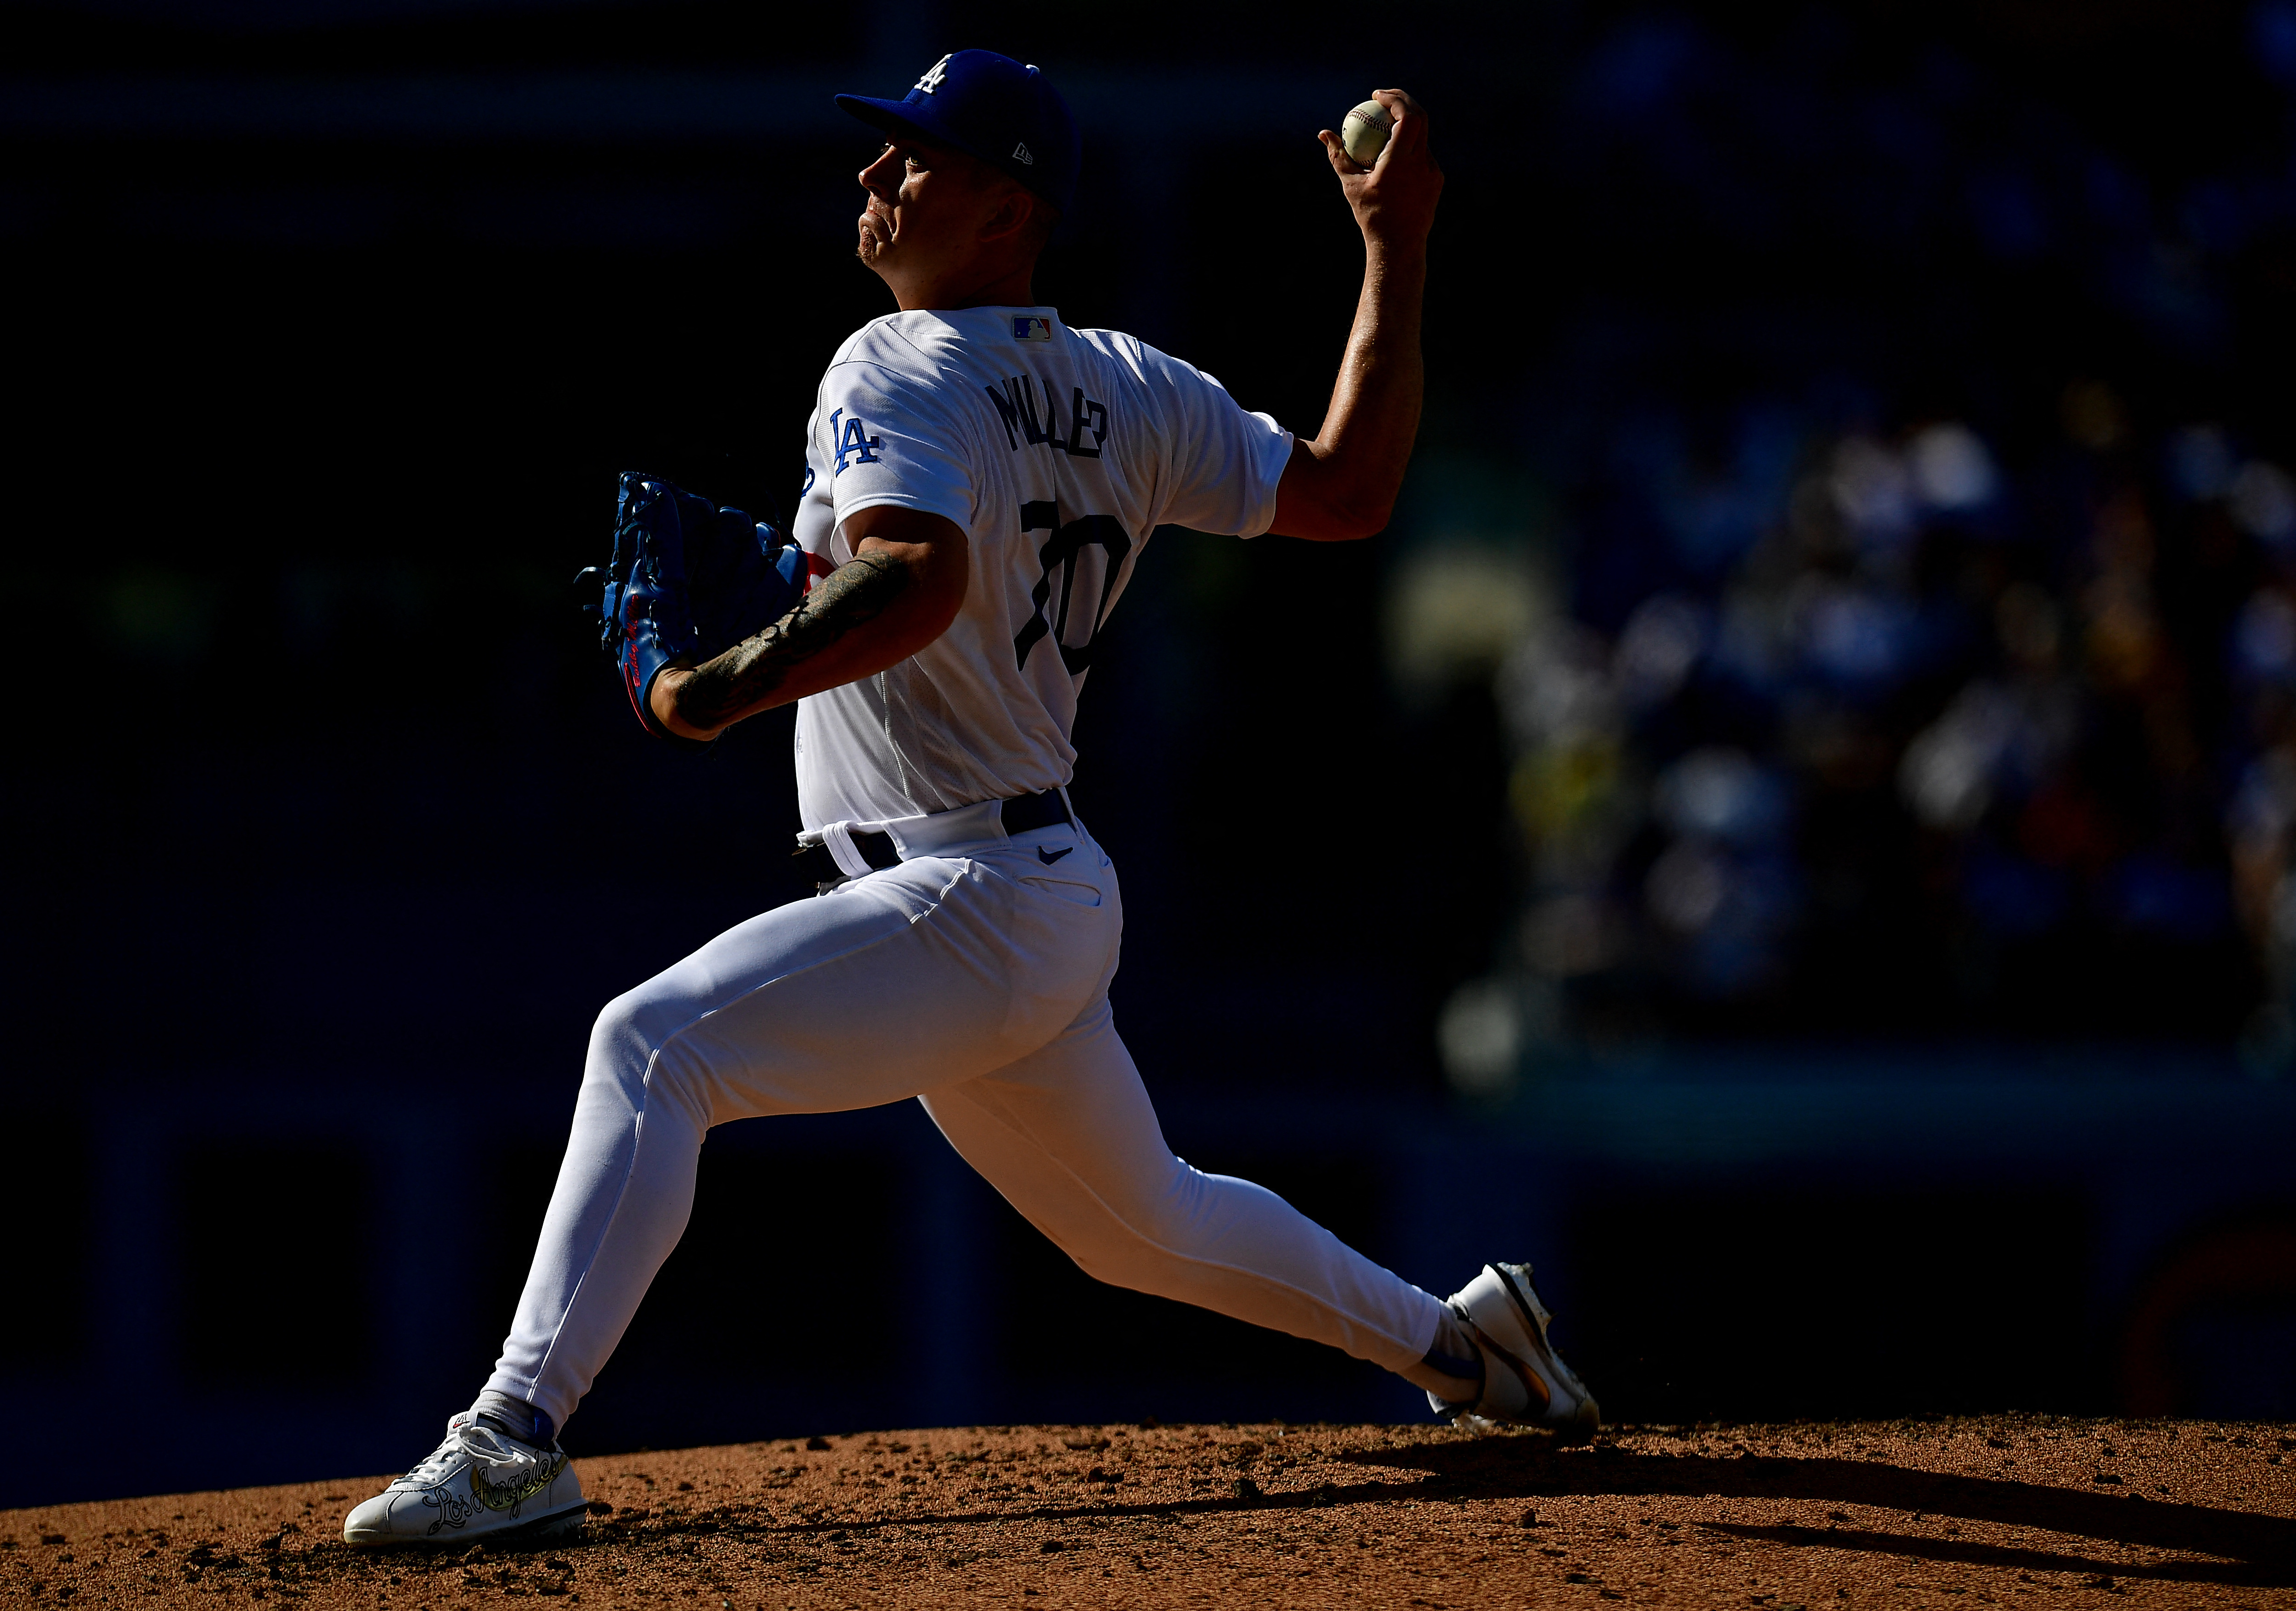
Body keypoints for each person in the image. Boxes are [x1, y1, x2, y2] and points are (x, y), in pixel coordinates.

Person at [344, 48, 1595, 1548]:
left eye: (917, 160)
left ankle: (510, 1440)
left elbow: (920, 583)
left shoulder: (892, 365)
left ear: (1008, 209)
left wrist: (717, 686)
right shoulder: (1127, 383)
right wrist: (1395, 252)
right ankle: (1467, 1346)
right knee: (1151, 1227)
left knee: (652, 1046)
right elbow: (1344, 491)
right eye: (884, 154)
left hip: (966, 893)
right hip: (1029, 887)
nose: (877, 176)